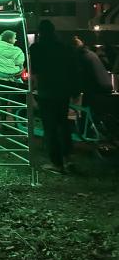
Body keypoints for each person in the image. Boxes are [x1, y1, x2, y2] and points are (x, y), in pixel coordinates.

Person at [29, 21, 80, 174]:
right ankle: (68, 159)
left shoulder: (37, 48)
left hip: (46, 91)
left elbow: (35, 72)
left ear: (40, 32)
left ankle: (57, 163)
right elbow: (73, 69)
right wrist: (75, 91)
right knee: (63, 124)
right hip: (63, 91)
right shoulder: (64, 47)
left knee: (50, 127)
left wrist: (33, 92)